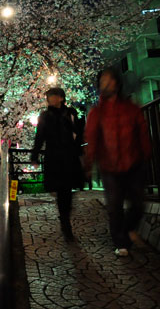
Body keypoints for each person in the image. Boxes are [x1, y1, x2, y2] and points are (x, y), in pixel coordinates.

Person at [84, 67, 152, 257]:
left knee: (138, 204)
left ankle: (129, 229)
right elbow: (92, 138)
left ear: (117, 83)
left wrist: (147, 154)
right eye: (102, 81)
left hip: (134, 161)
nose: (106, 84)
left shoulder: (131, 108)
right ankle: (121, 242)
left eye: (109, 80)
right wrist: (89, 163)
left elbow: (142, 131)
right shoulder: (96, 113)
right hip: (109, 166)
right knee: (114, 207)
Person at [31, 87, 86, 242]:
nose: (51, 99)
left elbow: (79, 132)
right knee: (62, 190)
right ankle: (65, 222)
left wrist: (80, 151)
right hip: (54, 157)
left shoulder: (71, 113)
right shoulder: (45, 115)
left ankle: (65, 219)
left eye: (54, 96)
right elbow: (39, 136)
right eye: (49, 96)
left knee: (66, 191)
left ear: (61, 98)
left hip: (69, 156)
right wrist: (35, 155)